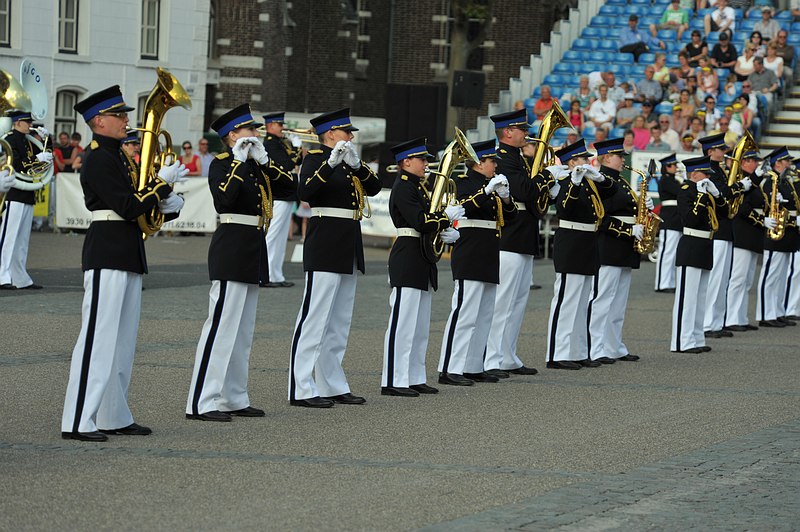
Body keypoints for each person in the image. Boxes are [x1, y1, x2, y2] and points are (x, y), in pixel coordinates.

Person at [61, 86, 187, 441]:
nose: (126, 121)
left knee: (122, 342)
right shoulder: (98, 157)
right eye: (119, 116)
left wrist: (166, 204)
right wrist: (161, 186)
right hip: (107, 250)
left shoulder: (118, 156)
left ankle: (113, 415)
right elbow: (128, 205)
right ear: (99, 121)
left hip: (127, 248)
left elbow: (139, 205)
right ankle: (77, 419)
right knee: (97, 339)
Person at [186, 104, 295, 422]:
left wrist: (265, 161)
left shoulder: (259, 166)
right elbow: (224, 199)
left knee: (243, 331)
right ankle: (201, 401)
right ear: (232, 135)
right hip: (231, 245)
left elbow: (291, 189)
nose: (256, 134)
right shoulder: (222, 164)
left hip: (253, 245)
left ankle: (233, 397)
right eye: (250, 130)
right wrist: (237, 159)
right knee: (220, 326)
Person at [288, 108, 381, 408]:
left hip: (347, 242)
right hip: (325, 241)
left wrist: (358, 166)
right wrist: (330, 164)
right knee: (314, 318)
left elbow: (375, 188)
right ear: (330, 134)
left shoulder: (350, 163)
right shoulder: (315, 159)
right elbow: (305, 191)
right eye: (346, 132)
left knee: (339, 321)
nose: (351, 136)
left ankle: (332, 383)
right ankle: (301, 386)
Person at [381, 138, 463, 395]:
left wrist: (445, 229)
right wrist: (444, 218)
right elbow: (419, 220)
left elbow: (428, 221)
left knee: (419, 324)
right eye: (422, 159)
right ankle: (393, 380)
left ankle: (414, 375)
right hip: (407, 254)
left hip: (421, 256)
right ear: (406, 162)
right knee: (402, 323)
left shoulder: (418, 187)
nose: (427, 163)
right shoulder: (404, 187)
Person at [484, 109, 555, 379]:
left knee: (518, 301)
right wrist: (547, 176)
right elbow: (524, 191)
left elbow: (532, 195)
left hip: (524, 234)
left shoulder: (519, 159)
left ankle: (508, 355)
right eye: (521, 129)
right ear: (508, 132)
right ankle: (491, 357)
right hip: (510, 235)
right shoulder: (503, 160)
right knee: (503, 301)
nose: (527, 133)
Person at [439, 141, 516, 385]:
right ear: (480, 162)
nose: (495, 165)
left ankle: (473, 365)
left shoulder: (490, 186)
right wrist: (485, 193)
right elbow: (463, 209)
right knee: (464, 311)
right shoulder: (464, 182)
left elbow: (511, 218)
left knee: (484, 313)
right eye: (492, 161)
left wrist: (505, 198)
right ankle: (449, 367)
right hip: (470, 249)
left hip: (488, 250)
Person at [546, 138, 616, 370]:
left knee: (582, 301)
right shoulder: (566, 180)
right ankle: (557, 353)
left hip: (587, 240)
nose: (588, 161)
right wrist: (574, 183)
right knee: (567, 299)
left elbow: (612, 190)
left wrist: (600, 177)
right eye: (584, 158)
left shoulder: (591, 182)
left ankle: (576, 351)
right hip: (571, 239)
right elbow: (564, 207)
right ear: (571, 161)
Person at [587, 138, 646, 364]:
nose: (624, 159)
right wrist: (628, 229)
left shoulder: (620, 181)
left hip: (623, 246)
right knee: (602, 299)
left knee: (619, 301)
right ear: (607, 157)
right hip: (609, 245)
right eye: (620, 156)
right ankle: (595, 346)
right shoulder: (601, 182)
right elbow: (599, 218)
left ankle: (614, 346)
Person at [670, 155, 724, 353]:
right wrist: (701, 197)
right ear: (694, 174)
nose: (708, 178)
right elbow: (691, 219)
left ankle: (696, 337)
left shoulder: (707, 192)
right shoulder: (685, 192)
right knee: (687, 297)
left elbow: (725, 213)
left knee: (701, 296)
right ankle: (681, 341)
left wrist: (717, 196)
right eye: (705, 174)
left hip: (705, 244)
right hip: (691, 243)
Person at [0, 110, 52, 290]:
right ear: (16, 122)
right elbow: (15, 165)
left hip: (27, 194)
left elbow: (46, 160)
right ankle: (1, 275)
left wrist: (47, 141)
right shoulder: (10, 139)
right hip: (13, 193)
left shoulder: (28, 141)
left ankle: (20, 277)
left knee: (22, 240)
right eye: (26, 121)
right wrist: (36, 158)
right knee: (8, 237)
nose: (30, 124)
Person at [699, 133, 743, 338]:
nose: (724, 152)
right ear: (710, 152)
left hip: (726, 229)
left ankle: (717, 321)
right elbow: (723, 193)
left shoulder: (719, 170)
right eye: (720, 149)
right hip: (717, 229)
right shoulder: (708, 172)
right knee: (715, 278)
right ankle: (708, 323)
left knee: (723, 278)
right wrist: (740, 187)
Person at [724, 148, 768, 331]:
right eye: (751, 160)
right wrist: (761, 220)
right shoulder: (741, 180)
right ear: (743, 163)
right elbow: (742, 208)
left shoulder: (753, 182)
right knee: (738, 278)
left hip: (753, 233)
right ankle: (731, 318)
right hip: (743, 231)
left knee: (748, 279)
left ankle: (741, 317)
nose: (755, 163)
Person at [757, 147, 799, 328]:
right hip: (775, 232)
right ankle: (766, 313)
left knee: (781, 276)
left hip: (788, 232)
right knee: (770, 275)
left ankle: (778, 311)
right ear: (778, 163)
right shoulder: (770, 182)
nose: (789, 164)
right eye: (786, 161)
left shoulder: (785, 182)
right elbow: (770, 207)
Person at [261, 111, 302, 289]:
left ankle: (276, 274)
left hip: (286, 195)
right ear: (270, 126)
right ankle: (264, 274)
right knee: (272, 236)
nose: (282, 127)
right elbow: (286, 165)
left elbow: (296, 160)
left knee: (280, 239)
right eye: (279, 124)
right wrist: (296, 148)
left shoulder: (280, 143)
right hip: (277, 195)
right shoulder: (270, 145)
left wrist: (296, 148)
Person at [655, 154, 684, 292]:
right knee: (667, 252)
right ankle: (662, 283)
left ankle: (670, 282)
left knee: (673, 253)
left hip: (676, 219)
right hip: (669, 219)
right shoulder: (666, 181)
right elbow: (680, 193)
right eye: (673, 165)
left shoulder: (674, 180)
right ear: (666, 167)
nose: (676, 167)